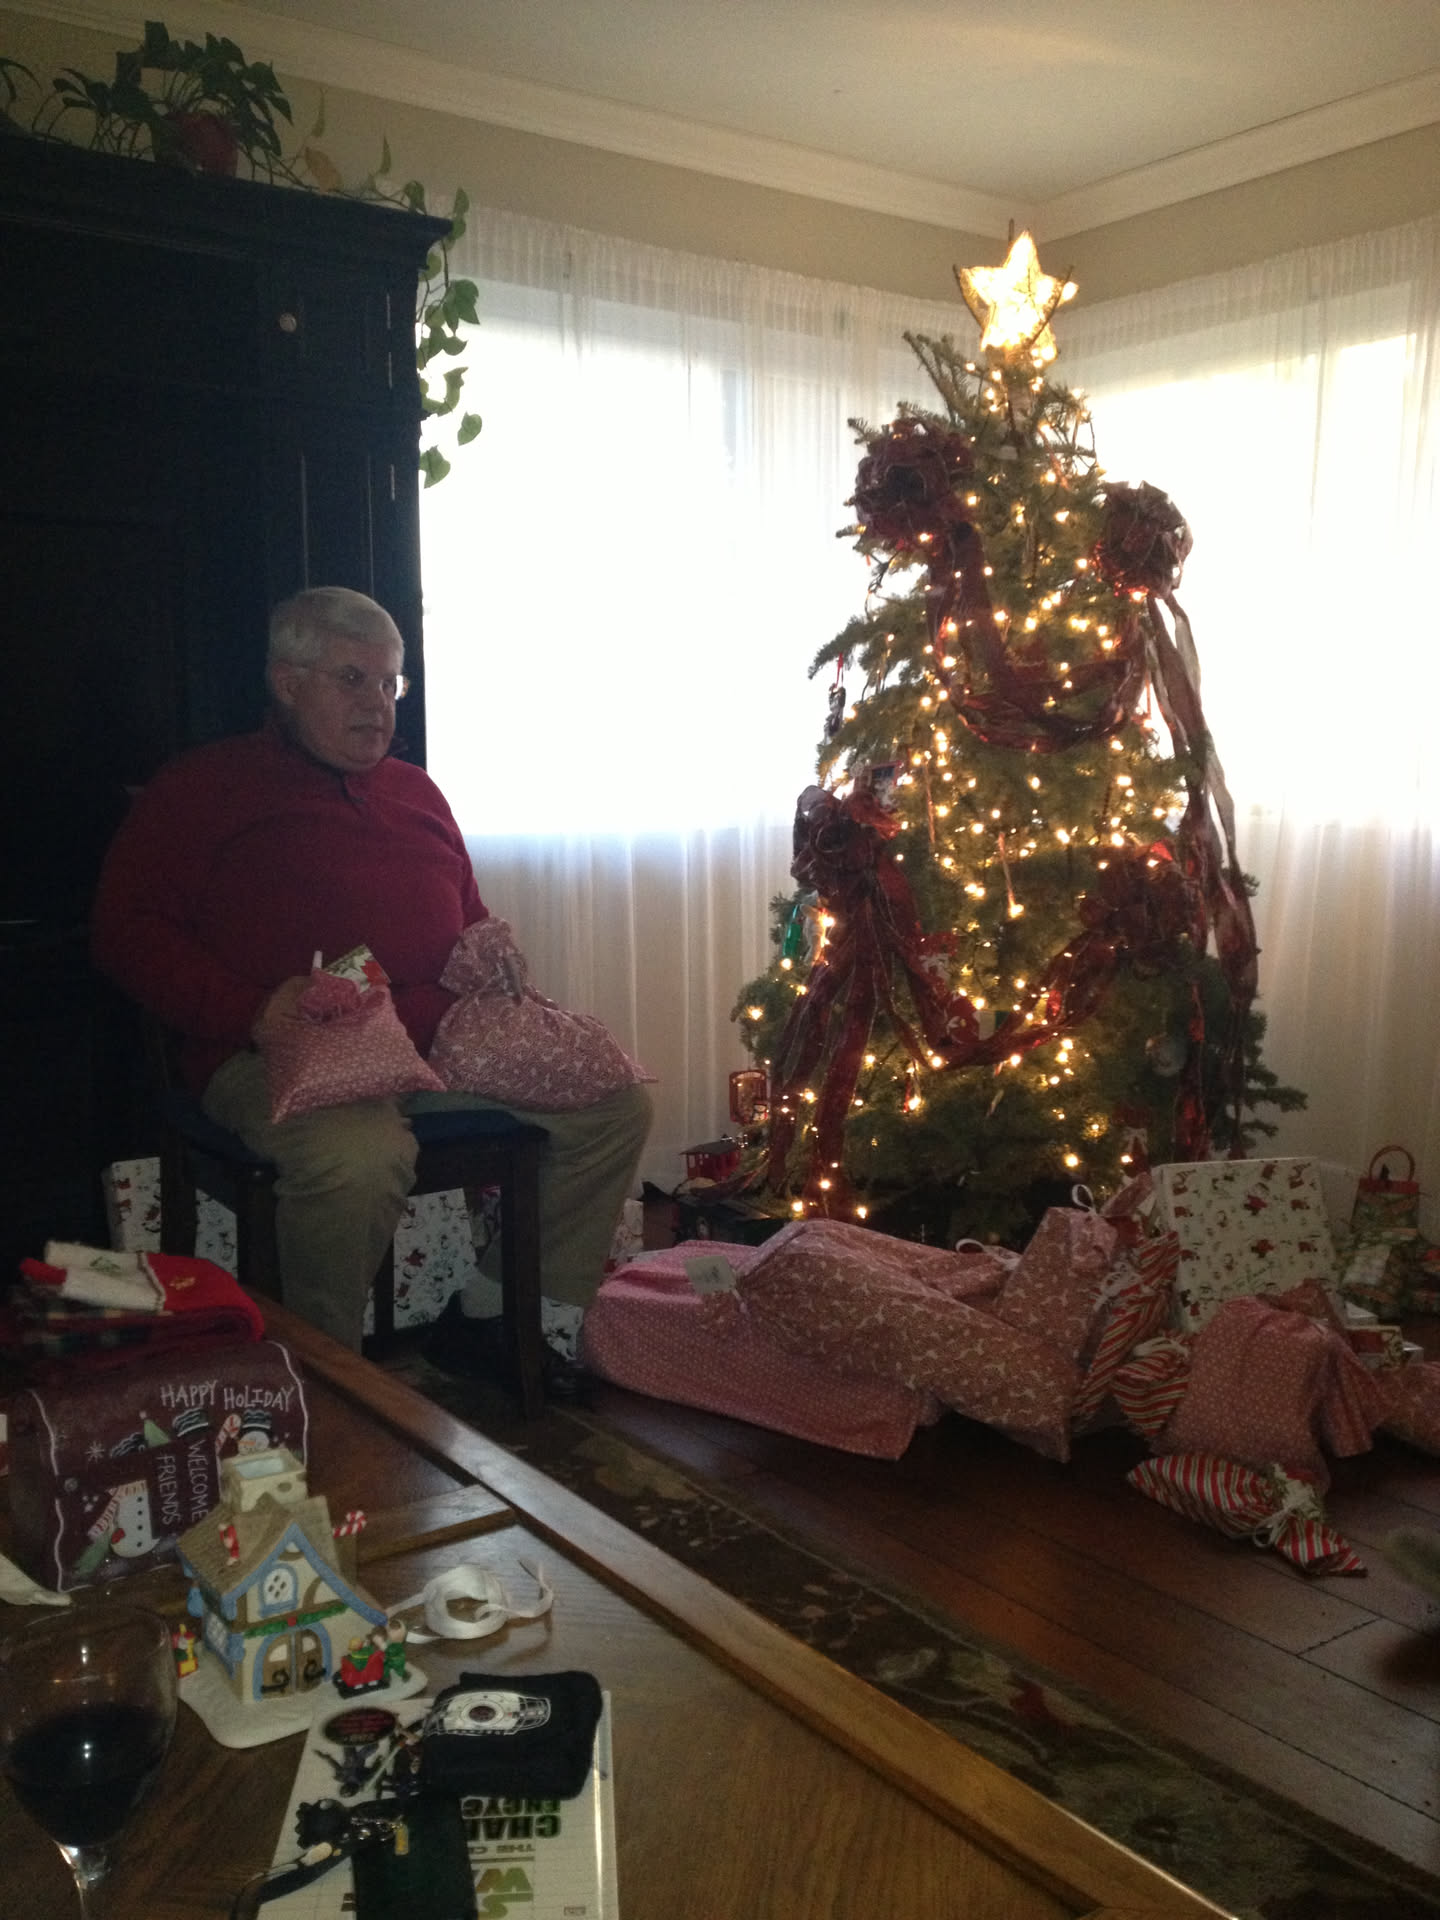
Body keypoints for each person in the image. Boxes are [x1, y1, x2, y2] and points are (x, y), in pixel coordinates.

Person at [92, 586, 652, 1362]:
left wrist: (489, 966)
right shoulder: (202, 788)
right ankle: (326, 1373)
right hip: (278, 1054)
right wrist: (250, 1010)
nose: (378, 705)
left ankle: (501, 1318)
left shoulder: (417, 792)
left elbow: (469, 917)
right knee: (358, 1160)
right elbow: (123, 933)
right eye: (352, 679)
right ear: (288, 682)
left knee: (614, 1105)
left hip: (432, 1047)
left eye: (390, 683)